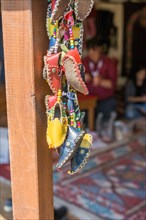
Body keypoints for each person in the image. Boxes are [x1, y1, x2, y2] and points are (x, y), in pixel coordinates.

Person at [82, 37, 117, 121]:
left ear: (100, 49)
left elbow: (112, 85)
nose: (91, 52)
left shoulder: (109, 62)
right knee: (83, 120)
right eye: (89, 50)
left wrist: (100, 81)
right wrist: (82, 77)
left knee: (104, 121)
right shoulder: (83, 62)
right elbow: (73, 80)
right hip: (87, 99)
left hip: (105, 99)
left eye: (94, 50)